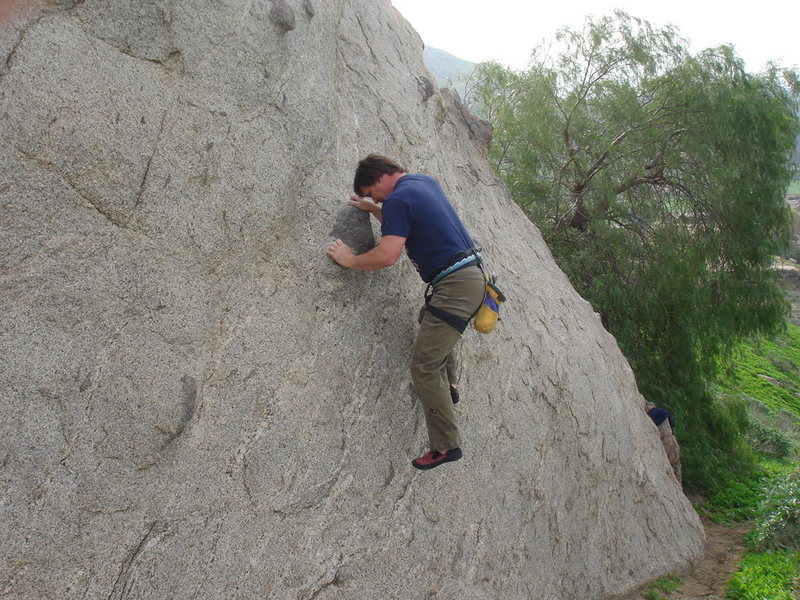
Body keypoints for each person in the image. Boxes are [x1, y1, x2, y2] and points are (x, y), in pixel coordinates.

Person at [326, 155, 485, 471]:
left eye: (373, 192)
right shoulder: (421, 182)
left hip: (456, 285)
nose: (376, 198)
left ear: (382, 177)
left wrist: (349, 260)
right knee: (429, 320)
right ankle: (449, 386)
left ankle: (445, 446)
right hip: (471, 277)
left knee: (424, 366)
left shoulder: (397, 199)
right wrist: (372, 210)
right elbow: (408, 214)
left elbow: (387, 255)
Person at [645, 401, 682, 488]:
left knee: (667, 468)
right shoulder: (663, 412)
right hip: (672, 441)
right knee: (676, 466)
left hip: (664, 443)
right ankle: (678, 489)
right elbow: (672, 424)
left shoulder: (652, 414)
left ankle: (672, 488)